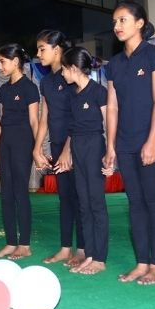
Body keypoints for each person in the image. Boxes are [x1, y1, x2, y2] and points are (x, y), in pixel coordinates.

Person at [103, 0, 155, 285]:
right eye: (115, 22)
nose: (117, 26)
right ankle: (142, 262)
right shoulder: (114, 65)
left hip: (152, 138)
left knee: (153, 200)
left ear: (140, 23)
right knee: (135, 203)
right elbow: (112, 107)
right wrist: (111, 146)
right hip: (125, 142)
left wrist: (152, 141)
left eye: (123, 20)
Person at [34, 29, 86, 267]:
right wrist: (37, 148)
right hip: (56, 144)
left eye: (42, 49)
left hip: (76, 143)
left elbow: (79, 115)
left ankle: (83, 249)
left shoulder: (72, 75)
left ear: (57, 49)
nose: (38, 54)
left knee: (80, 197)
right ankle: (66, 248)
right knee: (64, 198)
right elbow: (45, 116)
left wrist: (68, 149)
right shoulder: (46, 81)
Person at [59, 47, 109, 275]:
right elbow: (73, 128)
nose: (62, 74)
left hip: (95, 146)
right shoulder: (72, 94)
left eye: (63, 69)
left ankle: (100, 258)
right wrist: (68, 152)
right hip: (78, 147)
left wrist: (111, 154)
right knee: (83, 203)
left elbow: (110, 123)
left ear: (73, 68)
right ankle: (89, 254)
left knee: (96, 202)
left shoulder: (99, 91)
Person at [0, 43, 39, 260]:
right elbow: (1, 121)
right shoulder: (4, 90)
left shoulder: (29, 88)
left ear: (16, 61)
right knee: (6, 194)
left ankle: (25, 244)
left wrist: (37, 148)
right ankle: (11, 242)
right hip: (5, 143)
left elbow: (34, 121)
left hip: (23, 143)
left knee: (20, 193)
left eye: (2, 61)